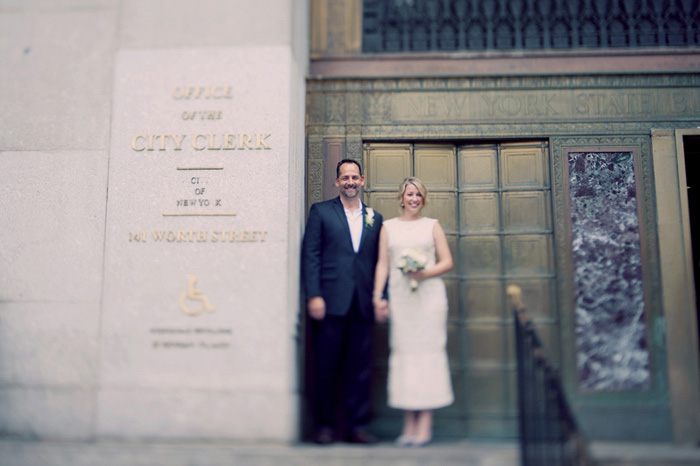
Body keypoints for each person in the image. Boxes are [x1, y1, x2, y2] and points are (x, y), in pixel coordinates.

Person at [301, 159, 384, 445]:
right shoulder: (321, 212)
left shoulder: (375, 217)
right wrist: (314, 294)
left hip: (362, 302)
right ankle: (324, 426)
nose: (350, 182)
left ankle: (357, 427)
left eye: (354, 177)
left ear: (362, 180)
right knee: (327, 365)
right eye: (344, 177)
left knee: (359, 368)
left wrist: (379, 298)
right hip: (330, 301)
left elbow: (379, 262)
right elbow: (311, 254)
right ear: (336, 181)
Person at [372, 177, 454, 447]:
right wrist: (377, 296)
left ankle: (425, 426)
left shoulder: (432, 226)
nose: (414, 199)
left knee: (427, 355)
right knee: (406, 356)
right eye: (410, 194)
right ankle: (409, 425)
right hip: (402, 299)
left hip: (429, 300)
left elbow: (447, 262)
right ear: (402, 197)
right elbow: (383, 264)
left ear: (423, 198)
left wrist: (423, 273)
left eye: (418, 194)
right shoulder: (387, 228)